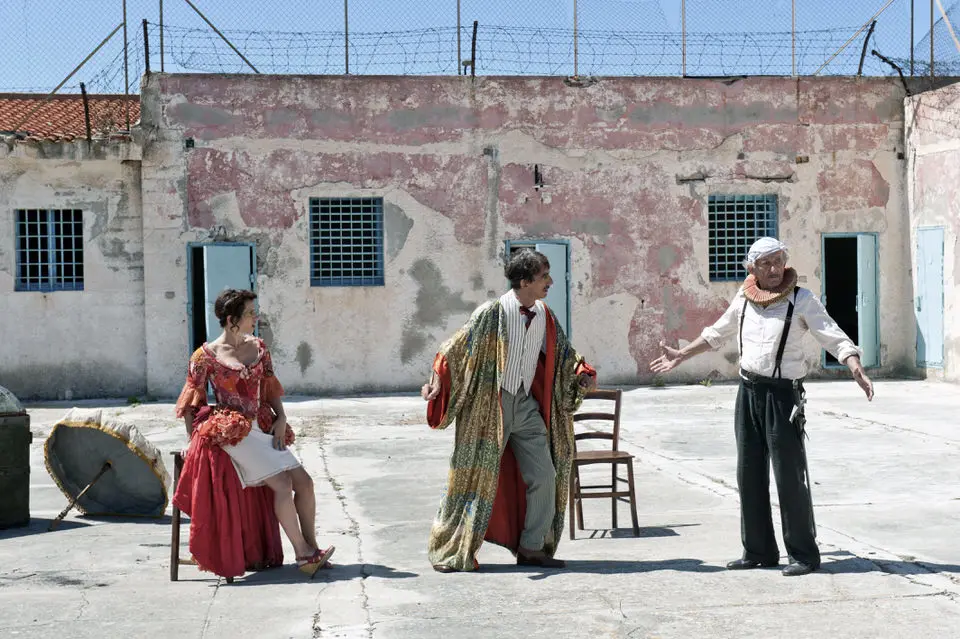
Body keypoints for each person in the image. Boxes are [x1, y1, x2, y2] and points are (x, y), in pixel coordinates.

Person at [650, 237, 874, 577]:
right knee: (748, 474)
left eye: (778, 261)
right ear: (751, 268)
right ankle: (758, 550)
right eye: (766, 263)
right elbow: (716, 333)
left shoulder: (802, 300)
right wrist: (683, 354)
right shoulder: (744, 298)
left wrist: (853, 363)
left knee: (789, 476)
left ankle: (803, 555)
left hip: (784, 396)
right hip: (749, 391)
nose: (773, 269)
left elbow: (832, 334)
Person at [422, 248, 597, 572]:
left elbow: (562, 355)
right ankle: (452, 551)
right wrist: (436, 381)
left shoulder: (545, 314)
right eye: (544, 276)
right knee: (474, 480)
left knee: (545, 475)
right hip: (492, 408)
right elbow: (455, 348)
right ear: (525, 280)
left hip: (526, 407)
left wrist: (580, 373)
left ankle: (532, 548)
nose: (550, 281)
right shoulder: (492, 313)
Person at [173, 288, 335, 579]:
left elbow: (270, 388)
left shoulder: (259, 347)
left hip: (261, 427)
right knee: (283, 485)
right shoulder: (204, 356)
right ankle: (303, 553)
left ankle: (313, 548)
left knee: (305, 483)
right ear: (233, 319)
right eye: (250, 312)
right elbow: (191, 403)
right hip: (232, 433)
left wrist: (282, 417)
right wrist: (192, 441)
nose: (255, 316)